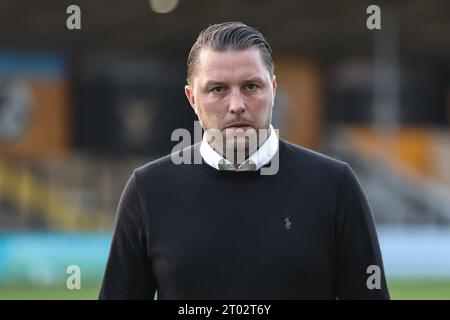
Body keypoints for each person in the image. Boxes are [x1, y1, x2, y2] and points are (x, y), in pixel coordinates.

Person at [99, 21, 390, 300]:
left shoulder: (333, 185)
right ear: (192, 99)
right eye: (218, 89)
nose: (237, 105)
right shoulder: (148, 190)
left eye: (251, 86)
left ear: (273, 90)